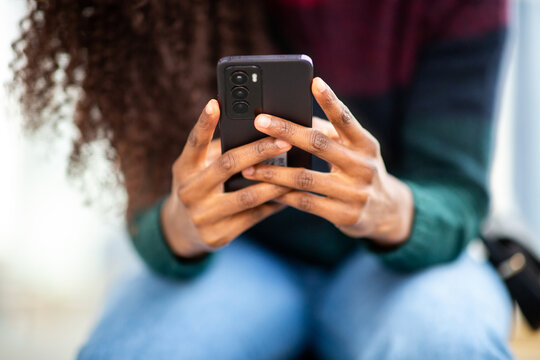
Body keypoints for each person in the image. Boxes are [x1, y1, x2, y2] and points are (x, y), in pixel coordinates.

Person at [12, 0, 513, 359]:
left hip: (391, 261)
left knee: (451, 340)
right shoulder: (144, 11)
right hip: (238, 256)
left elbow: (459, 195)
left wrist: (388, 207)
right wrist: (180, 225)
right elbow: (145, 213)